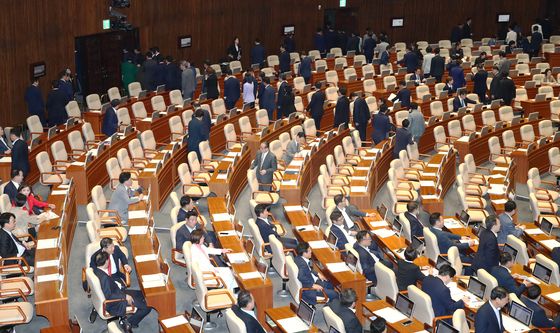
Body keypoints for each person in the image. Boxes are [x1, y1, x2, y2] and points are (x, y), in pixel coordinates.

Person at [93, 251, 151, 331]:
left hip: (117, 291)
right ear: (106, 261)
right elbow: (109, 296)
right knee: (147, 306)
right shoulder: (104, 278)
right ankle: (130, 322)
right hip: (116, 301)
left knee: (143, 294)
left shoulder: (95, 270)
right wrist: (125, 296)